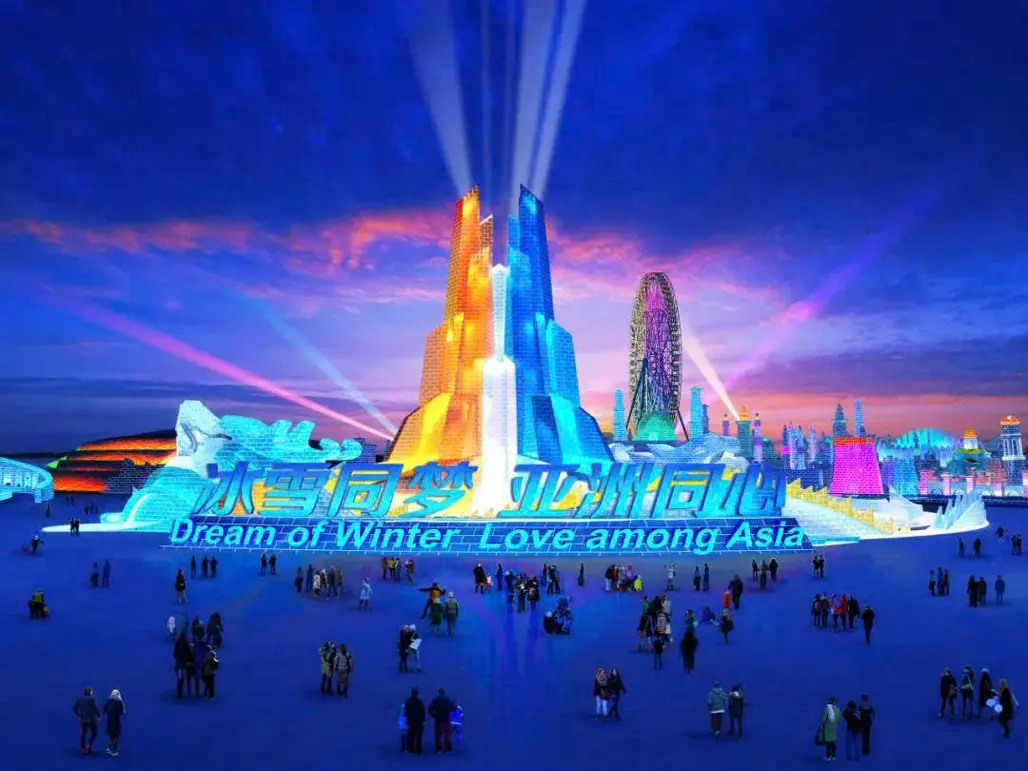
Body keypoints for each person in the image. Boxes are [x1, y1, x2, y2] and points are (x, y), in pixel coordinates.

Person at [72, 686, 101, 755]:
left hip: (83, 719)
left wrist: (79, 715)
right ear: (90, 692)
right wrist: (98, 716)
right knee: (94, 733)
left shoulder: (79, 699)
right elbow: (95, 708)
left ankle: (83, 748)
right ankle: (88, 746)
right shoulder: (92, 699)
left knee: (84, 733)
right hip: (91, 720)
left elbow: (74, 708)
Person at [428, 688, 456, 754]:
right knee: (447, 734)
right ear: (444, 693)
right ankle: (447, 749)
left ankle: (438, 749)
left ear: (439, 692)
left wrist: (434, 716)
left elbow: (430, 710)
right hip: (446, 719)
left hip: (438, 719)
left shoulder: (436, 699)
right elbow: (454, 708)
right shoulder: (447, 699)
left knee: (438, 734)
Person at [102, 690, 125, 757]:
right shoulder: (119, 702)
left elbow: (104, 710)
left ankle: (109, 747)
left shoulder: (108, 701)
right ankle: (112, 750)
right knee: (116, 736)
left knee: (111, 735)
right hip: (116, 721)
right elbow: (122, 712)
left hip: (109, 721)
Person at [404, 688, 426, 754]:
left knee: (411, 735)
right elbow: (422, 712)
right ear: (417, 694)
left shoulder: (408, 701)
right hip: (419, 721)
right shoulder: (419, 702)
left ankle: (410, 749)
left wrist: (407, 719)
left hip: (410, 721)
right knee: (418, 736)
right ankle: (418, 749)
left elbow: (406, 712)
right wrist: (423, 720)